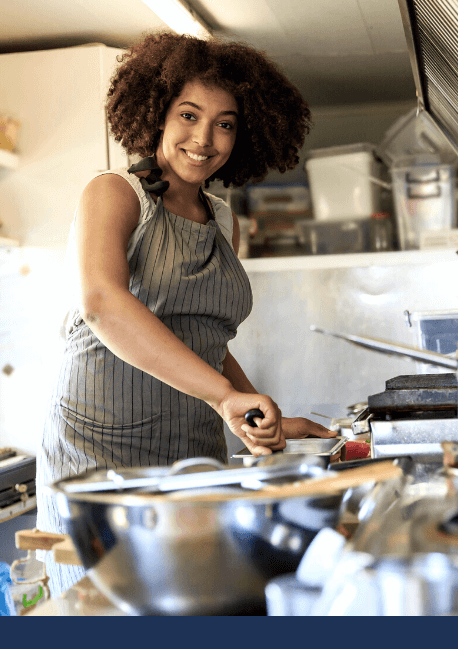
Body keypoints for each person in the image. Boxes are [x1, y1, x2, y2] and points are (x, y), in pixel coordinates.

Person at [36, 31, 337, 596]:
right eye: (189, 115)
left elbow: (205, 339)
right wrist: (225, 397)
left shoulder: (225, 222)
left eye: (225, 123)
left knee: (188, 600)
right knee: (103, 608)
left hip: (190, 453)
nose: (205, 138)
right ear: (156, 116)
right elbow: (103, 304)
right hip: (99, 457)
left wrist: (257, 416)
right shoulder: (114, 193)